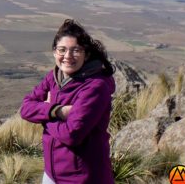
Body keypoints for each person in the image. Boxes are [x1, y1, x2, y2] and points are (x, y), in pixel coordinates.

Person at [20, 19, 115, 184]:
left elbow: (72, 134)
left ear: (86, 54)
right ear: (54, 52)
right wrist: (56, 111)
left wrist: (44, 115)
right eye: (62, 50)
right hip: (52, 173)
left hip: (83, 178)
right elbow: (25, 108)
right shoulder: (54, 77)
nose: (68, 56)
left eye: (76, 50)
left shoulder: (95, 87)